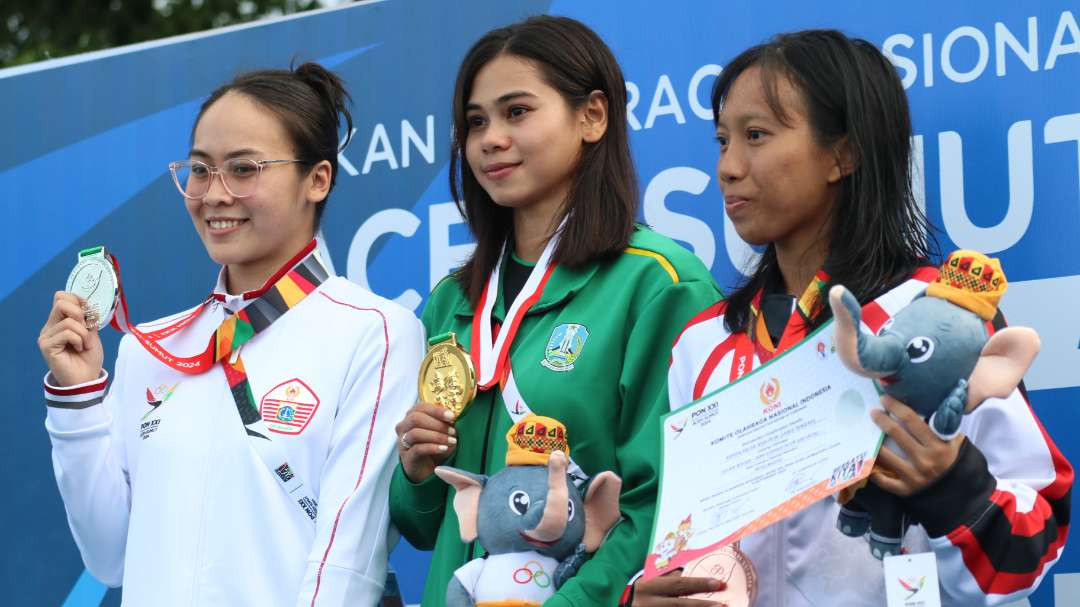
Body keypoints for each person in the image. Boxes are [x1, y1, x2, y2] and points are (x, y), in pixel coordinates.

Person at [626, 29, 1072, 607]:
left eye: (756, 135)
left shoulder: (936, 318)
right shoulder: (702, 341)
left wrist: (951, 487)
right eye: (721, 141)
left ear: (844, 153)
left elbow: (1031, 550)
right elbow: (675, 539)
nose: (727, 167)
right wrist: (647, 595)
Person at [38, 63, 424, 605]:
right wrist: (77, 400)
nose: (214, 194)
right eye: (200, 169)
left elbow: (347, 564)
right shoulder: (149, 348)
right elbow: (111, 557)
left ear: (318, 178)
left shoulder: (374, 333)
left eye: (244, 169)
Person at [388, 15, 721, 607]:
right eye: (475, 122)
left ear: (592, 116)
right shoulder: (453, 302)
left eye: (517, 112)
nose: (490, 138)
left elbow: (667, 498)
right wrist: (416, 471)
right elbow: (423, 528)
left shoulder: (657, 284)